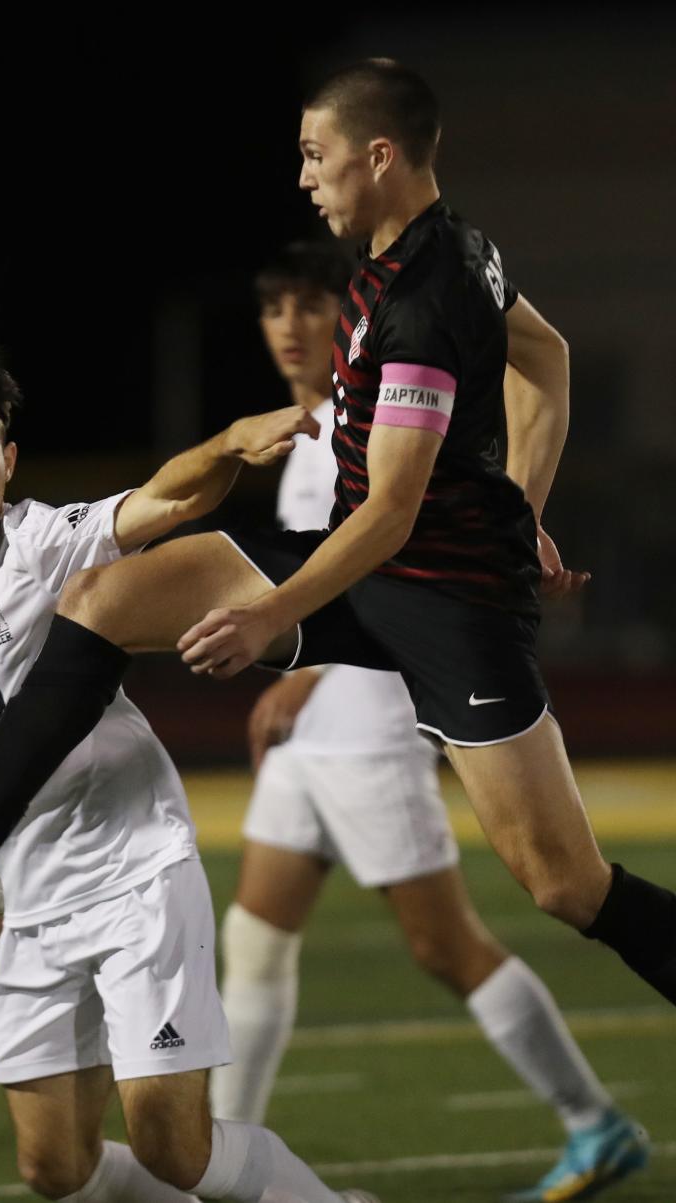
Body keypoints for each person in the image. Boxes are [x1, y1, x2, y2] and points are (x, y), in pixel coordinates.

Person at [0, 58, 676, 1014]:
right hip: (370, 563)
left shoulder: (424, 299)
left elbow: (397, 509)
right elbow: (548, 358)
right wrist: (524, 509)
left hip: (452, 600)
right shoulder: (436, 254)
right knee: (102, 600)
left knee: (567, 886)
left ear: (381, 155)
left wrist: (269, 614)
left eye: (318, 157)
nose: (305, 177)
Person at [0, 330, 382, 1203]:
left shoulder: (49, 542)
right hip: (24, 897)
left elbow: (168, 501)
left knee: (177, 1147)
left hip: (137, 868)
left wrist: (228, 445)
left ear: (9, 460)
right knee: (55, 1166)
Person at [208, 242, 649, 1202]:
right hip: (308, 747)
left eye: (307, 305)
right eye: (272, 307)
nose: (287, 325)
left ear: (350, 321)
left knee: (448, 943)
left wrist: (303, 666)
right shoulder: (305, 430)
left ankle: (594, 1118)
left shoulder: (370, 424)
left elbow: (395, 564)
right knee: (254, 939)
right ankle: (226, 1164)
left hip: (368, 722)